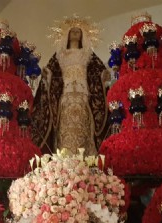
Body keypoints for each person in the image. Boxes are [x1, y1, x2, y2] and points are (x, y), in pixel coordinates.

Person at [32, 15, 109, 155]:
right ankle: (65, 165)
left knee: (83, 129)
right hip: (65, 99)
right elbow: (52, 73)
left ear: (83, 35)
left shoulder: (88, 54)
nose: (75, 33)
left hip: (83, 98)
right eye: (72, 31)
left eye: (78, 31)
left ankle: (85, 162)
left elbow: (97, 72)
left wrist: (104, 75)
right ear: (66, 35)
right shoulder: (60, 55)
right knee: (65, 130)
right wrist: (47, 74)